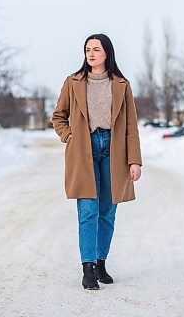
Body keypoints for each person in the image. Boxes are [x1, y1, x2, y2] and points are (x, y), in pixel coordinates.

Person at [51, 33, 142, 290]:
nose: (91, 54)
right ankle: (88, 268)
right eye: (88, 49)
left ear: (107, 53)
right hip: (84, 149)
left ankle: (101, 262)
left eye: (96, 49)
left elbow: (132, 127)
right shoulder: (73, 82)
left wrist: (134, 160)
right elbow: (59, 116)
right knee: (88, 210)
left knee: (108, 211)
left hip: (114, 150)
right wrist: (69, 135)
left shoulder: (121, 84)